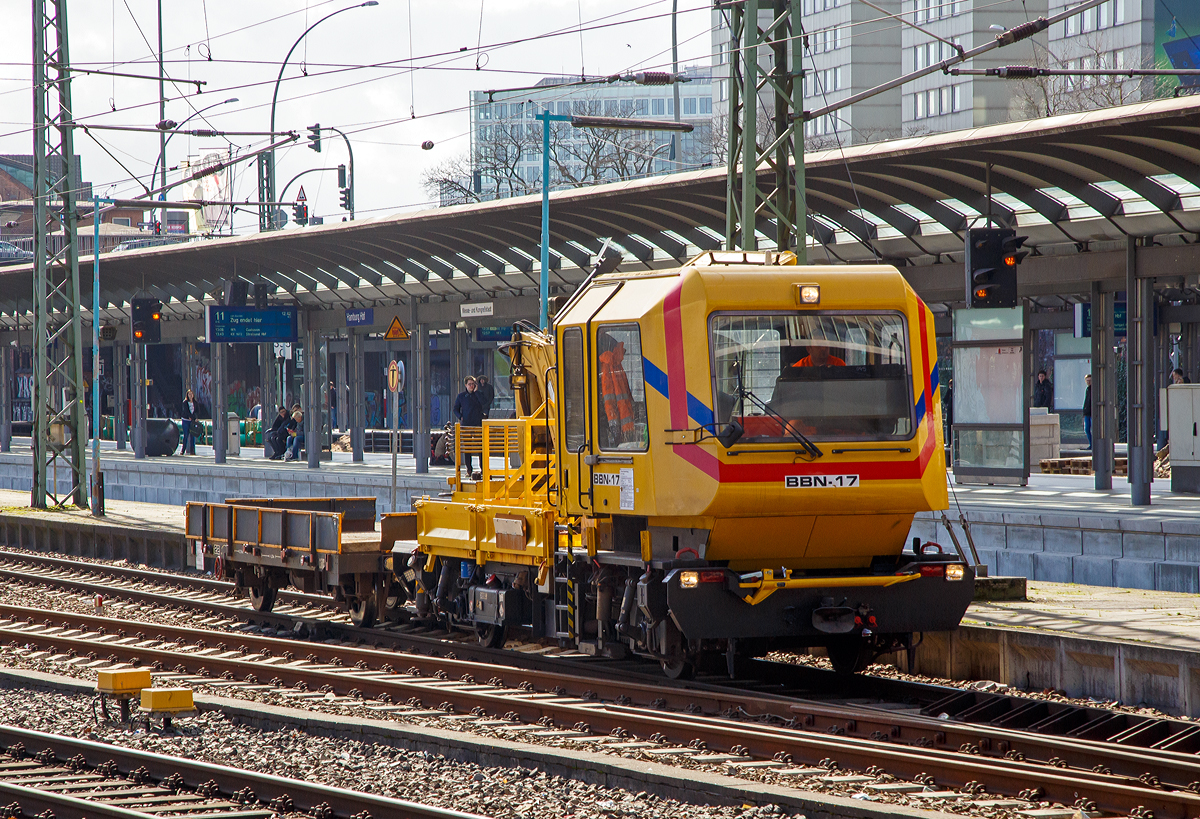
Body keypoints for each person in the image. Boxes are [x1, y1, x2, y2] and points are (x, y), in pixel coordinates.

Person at [453, 376, 484, 472]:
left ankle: (482, 468)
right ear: (466, 385)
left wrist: (476, 392)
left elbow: (484, 403)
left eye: (473, 384)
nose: (471, 386)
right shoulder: (461, 396)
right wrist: (460, 416)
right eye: (470, 384)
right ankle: (469, 469)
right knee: (467, 448)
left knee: (481, 447)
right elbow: (455, 409)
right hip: (466, 424)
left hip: (478, 423)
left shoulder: (478, 395)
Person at [180, 389, 198, 455]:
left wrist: (195, 418)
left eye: (191, 394)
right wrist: (189, 417)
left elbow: (197, 411)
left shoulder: (195, 403)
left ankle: (192, 450)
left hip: (192, 421)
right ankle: (183, 450)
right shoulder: (185, 402)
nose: (190, 395)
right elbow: (186, 411)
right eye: (189, 394)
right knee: (186, 435)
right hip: (186, 420)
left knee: (192, 435)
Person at [1082, 374, 1092, 449]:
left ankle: (1093, 444)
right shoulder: (1087, 389)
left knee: (1093, 429)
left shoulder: (1093, 389)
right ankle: (1091, 444)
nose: (1088, 382)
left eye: (1090, 380)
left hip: (1092, 413)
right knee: (1087, 429)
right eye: (1087, 380)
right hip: (1087, 413)